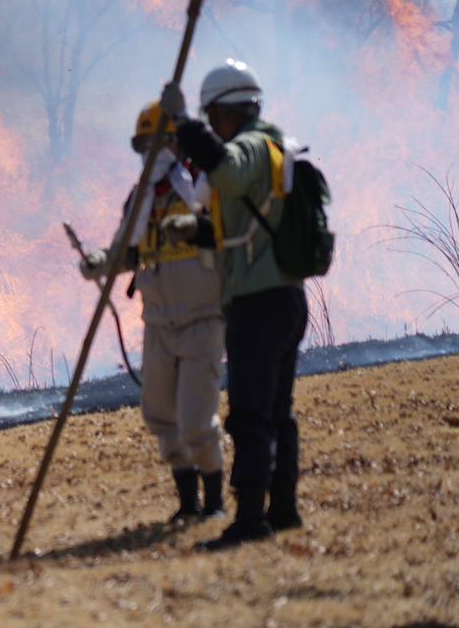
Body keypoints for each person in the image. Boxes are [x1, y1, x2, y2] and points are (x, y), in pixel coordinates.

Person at [161, 59, 308, 549]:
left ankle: (249, 520)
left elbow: (222, 174)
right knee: (276, 411)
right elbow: (244, 226)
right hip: (283, 297)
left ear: (227, 112)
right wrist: (196, 230)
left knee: (250, 413)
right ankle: (283, 511)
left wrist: (183, 123)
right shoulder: (274, 145)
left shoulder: (249, 146)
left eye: (212, 116)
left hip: (258, 303)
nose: (213, 127)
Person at [82, 101, 225, 523]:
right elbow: (127, 251)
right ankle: (188, 503)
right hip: (159, 322)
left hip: (203, 318)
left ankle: (215, 503)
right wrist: (100, 261)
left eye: (158, 142)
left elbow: (225, 234)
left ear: (177, 144)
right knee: (161, 413)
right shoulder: (139, 199)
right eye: (144, 145)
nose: (151, 153)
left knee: (196, 418)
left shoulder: (202, 186)